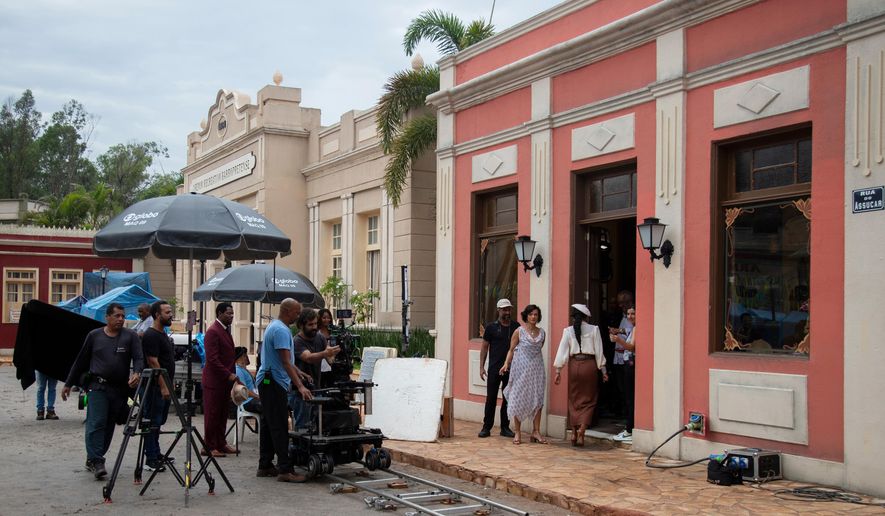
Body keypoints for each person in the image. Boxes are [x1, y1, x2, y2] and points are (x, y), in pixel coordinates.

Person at [61, 303, 143, 479]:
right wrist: (68, 384)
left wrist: (137, 373)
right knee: (96, 422)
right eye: (117, 316)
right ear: (107, 317)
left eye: (123, 316)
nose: (121, 319)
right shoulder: (94, 336)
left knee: (109, 424)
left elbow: (138, 358)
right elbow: (80, 361)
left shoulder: (131, 336)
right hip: (97, 386)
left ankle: (93, 457)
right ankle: (98, 460)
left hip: (119, 389)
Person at [256, 298, 313, 483]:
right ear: (287, 311)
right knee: (280, 425)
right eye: (296, 313)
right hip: (273, 382)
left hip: (267, 380)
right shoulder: (280, 330)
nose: (298, 316)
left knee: (267, 424)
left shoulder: (275, 326)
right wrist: (301, 386)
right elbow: (285, 362)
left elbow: (286, 361)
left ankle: (265, 465)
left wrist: (299, 372)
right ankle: (285, 469)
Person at [553, 304, 608, 447]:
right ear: (585, 317)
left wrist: (558, 371)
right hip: (589, 366)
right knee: (589, 399)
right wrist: (603, 371)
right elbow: (599, 351)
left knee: (574, 399)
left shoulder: (568, 331)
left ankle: (574, 432)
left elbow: (562, 352)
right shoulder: (594, 329)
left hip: (574, 366)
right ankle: (582, 430)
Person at [500, 304, 547, 445]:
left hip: (537, 369)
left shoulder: (542, 333)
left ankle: (536, 431)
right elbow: (511, 349)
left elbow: (538, 349)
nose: (533, 317)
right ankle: (518, 432)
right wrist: (506, 364)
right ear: (526, 316)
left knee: (538, 398)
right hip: (520, 368)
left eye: (536, 315)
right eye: (531, 314)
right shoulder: (519, 331)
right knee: (518, 397)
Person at [141, 300, 175, 471]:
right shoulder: (151, 335)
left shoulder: (162, 334)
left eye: (171, 312)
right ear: (157, 315)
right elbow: (153, 362)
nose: (171, 315)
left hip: (165, 384)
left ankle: (156, 452)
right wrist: (163, 386)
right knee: (152, 421)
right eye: (167, 312)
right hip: (154, 387)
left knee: (159, 421)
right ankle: (150, 458)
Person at [201, 302, 239, 457]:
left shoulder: (225, 330)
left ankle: (221, 443)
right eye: (228, 313)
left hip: (225, 382)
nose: (231, 316)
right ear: (219, 313)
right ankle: (209, 446)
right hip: (214, 381)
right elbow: (212, 359)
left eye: (232, 313)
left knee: (222, 414)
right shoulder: (213, 331)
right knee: (212, 414)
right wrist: (228, 374)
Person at [478, 299, 518, 438]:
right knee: (491, 399)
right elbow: (484, 347)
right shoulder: (491, 327)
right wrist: (481, 367)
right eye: (504, 309)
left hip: (511, 369)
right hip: (494, 369)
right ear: (498, 310)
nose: (507, 312)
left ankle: (505, 427)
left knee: (507, 398)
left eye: (509, 309)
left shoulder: (516, 327)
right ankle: (486, 427)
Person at [292, 308, 340, 428]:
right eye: (310, 324)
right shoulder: (297, 341)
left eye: (315, 323)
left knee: (316, 425)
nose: (314, 327)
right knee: (303, 426)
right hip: (300, 391)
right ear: (301, 325)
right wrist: (325, 353)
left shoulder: (320, 338)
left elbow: (330, 360)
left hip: (317, 388)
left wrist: (336, 356)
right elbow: (308, 357)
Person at [610, 306, 636, 442]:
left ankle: (630, 429)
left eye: (633, 314)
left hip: (631, 366)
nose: (630, 316)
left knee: (630, 399)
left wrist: (618, 340)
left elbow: (632, 346)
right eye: (628, 314)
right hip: (628, 364)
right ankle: (629, 428)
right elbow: (627, 333)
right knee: (628, 397)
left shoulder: (637, 328)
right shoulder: (633, 328)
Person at [235, 346, 261, 414]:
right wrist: (258, 396)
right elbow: (244, 390)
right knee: (268, 406)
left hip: (253, 399)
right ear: (240, 357)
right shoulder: (238, 371)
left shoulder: (244, 369)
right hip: (247, 402)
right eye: (244, 355)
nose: (247, 357)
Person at [317, 308, 336, 387]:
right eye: (324, 318)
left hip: (332, 364)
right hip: (320, 364)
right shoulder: (316, 332)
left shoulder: (333, 331)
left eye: (328, 317)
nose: (326, 320)